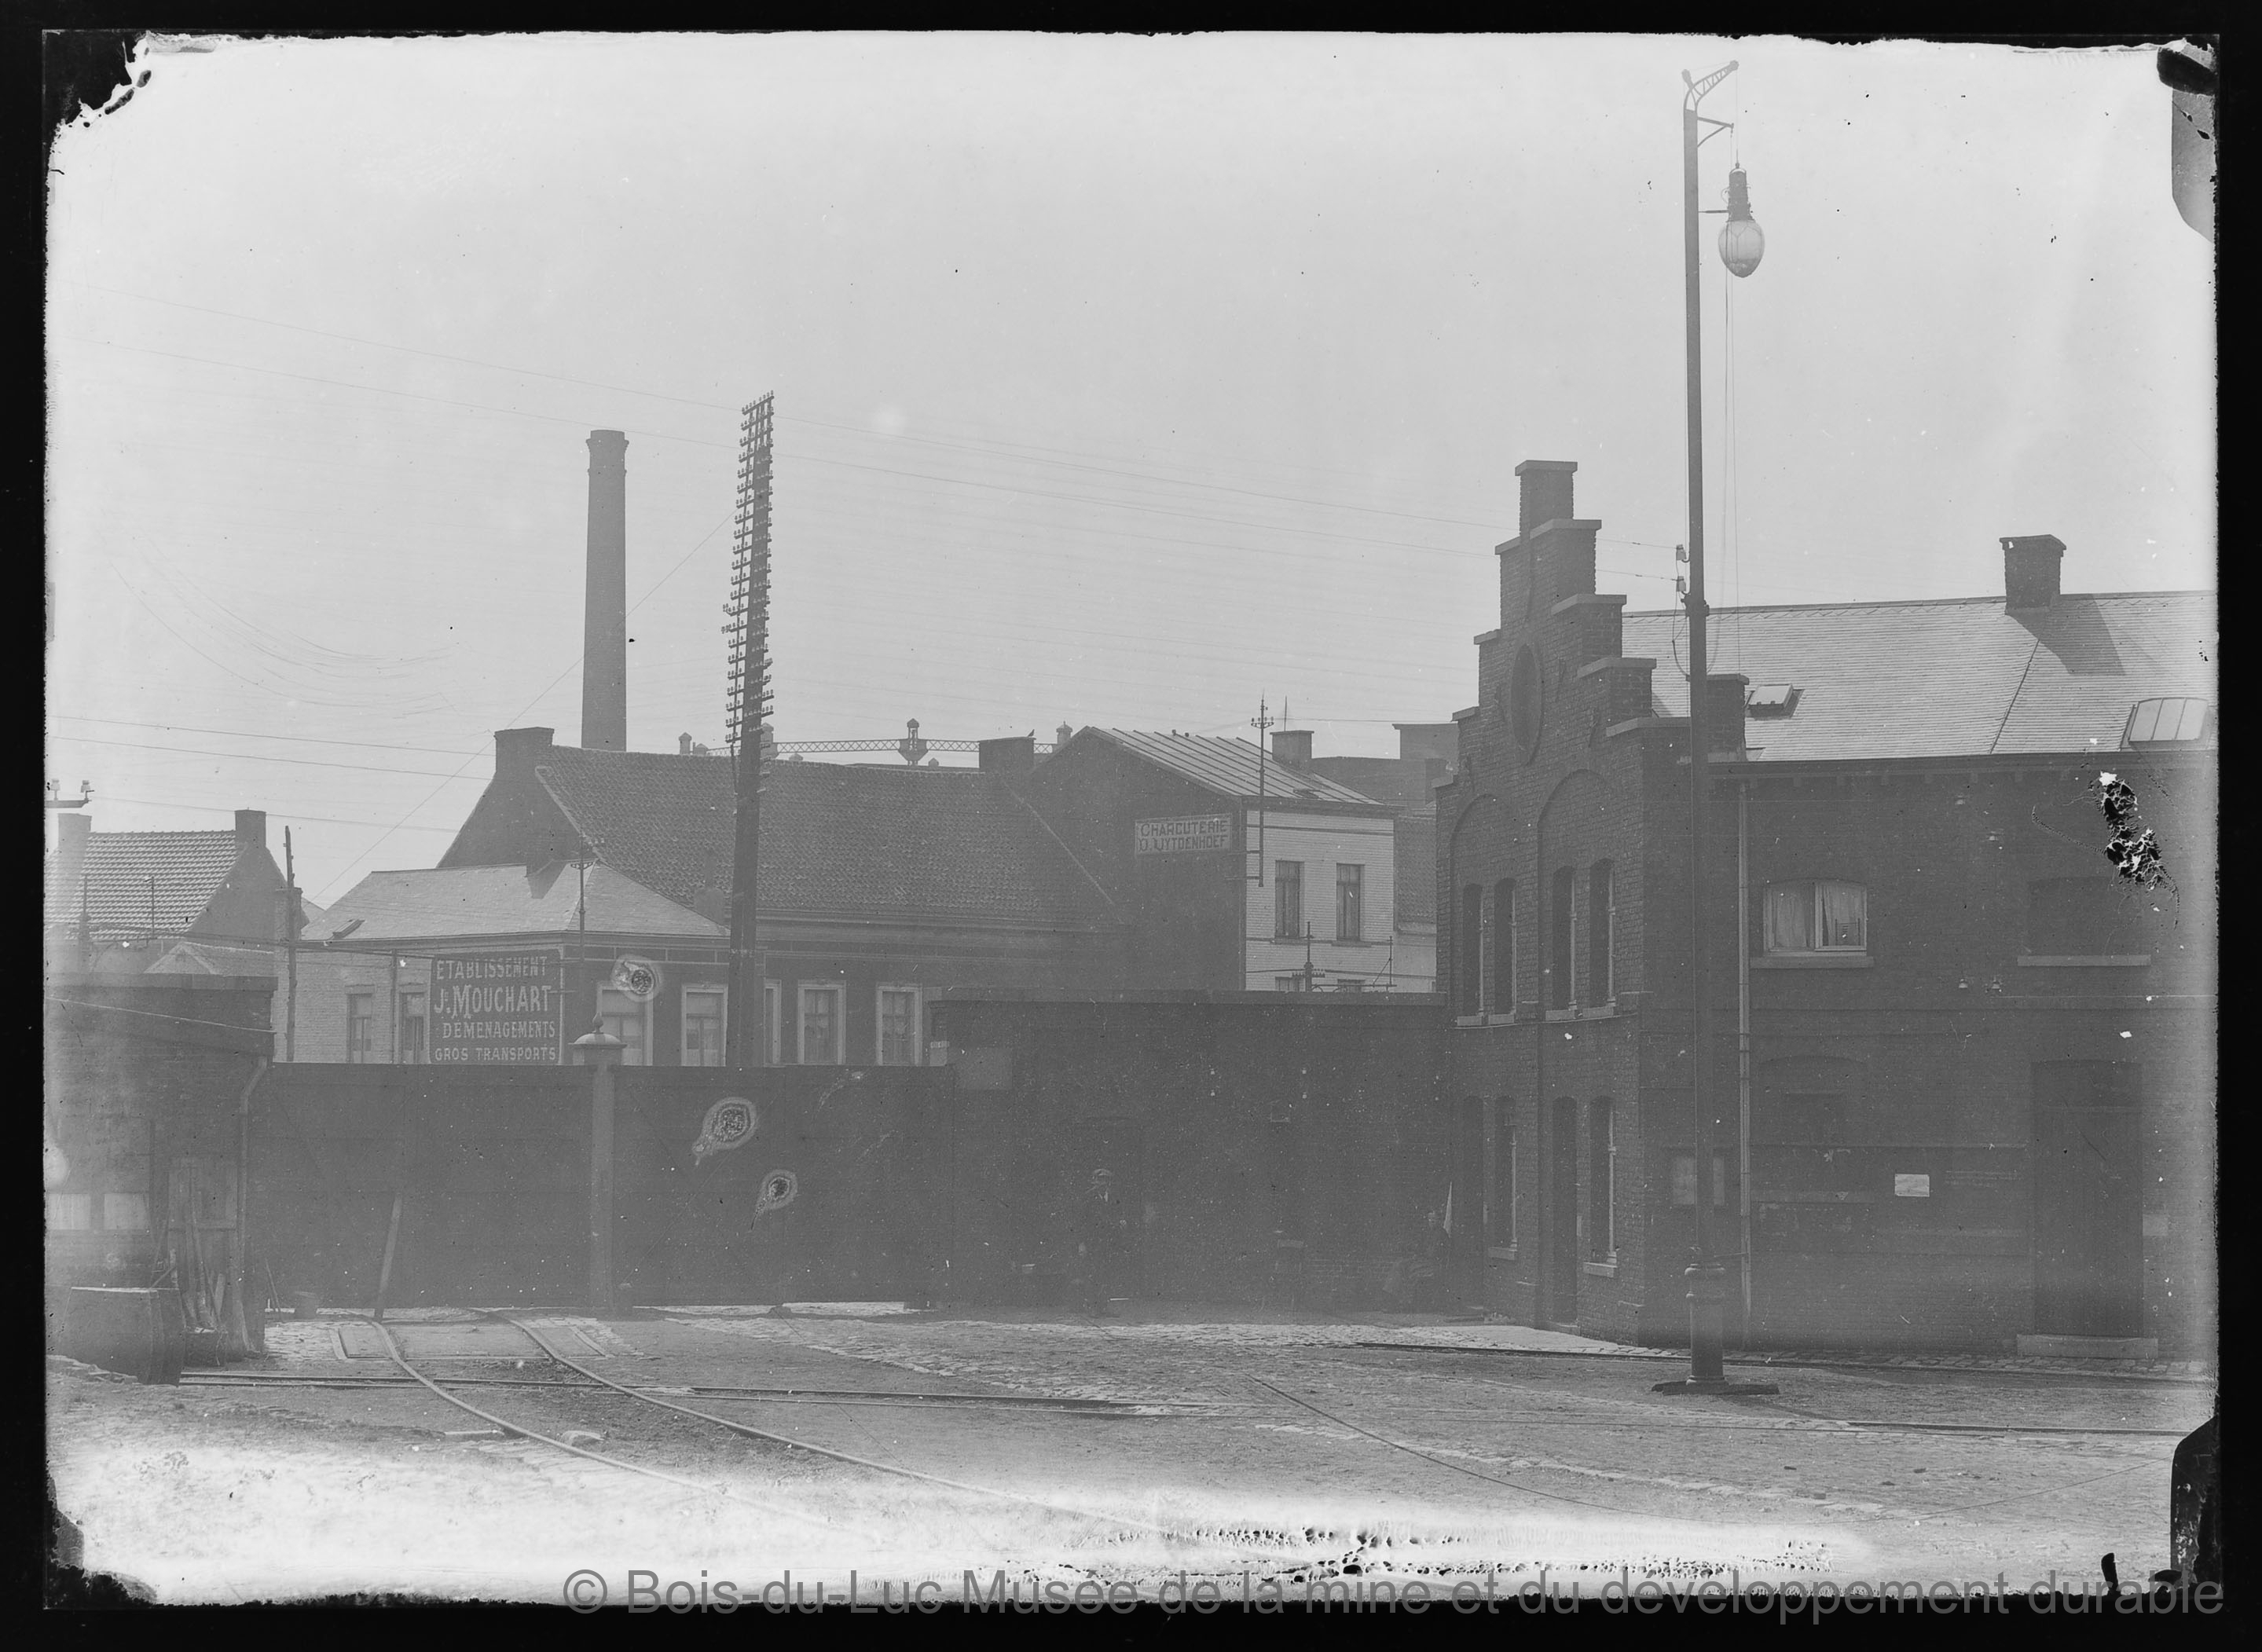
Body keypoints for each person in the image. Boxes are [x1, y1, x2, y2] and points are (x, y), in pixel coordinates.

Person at [1075, 1167, 1127, 1317]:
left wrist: (1122, 1221)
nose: (1102, 1184)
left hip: (1110, 1242)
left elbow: (1119, 1213)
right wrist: (1081, 1243)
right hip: (1093, 1243)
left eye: (1105, 1181)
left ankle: (1104, 1306)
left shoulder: (1113, 1196)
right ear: (1093, 1181)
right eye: (1099, 1180)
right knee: (1093, 1275)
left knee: (1107, 1274)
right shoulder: (1088, 1197)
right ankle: (1093, 1307)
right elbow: (1080, 1222)